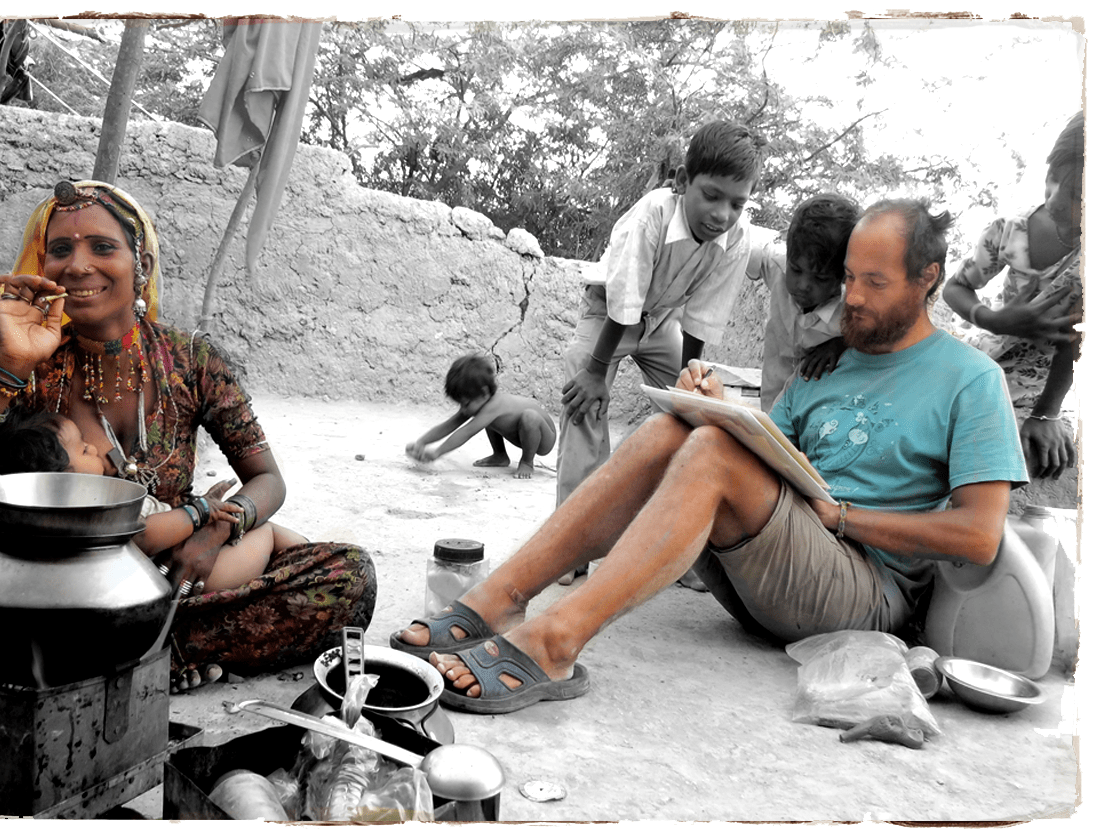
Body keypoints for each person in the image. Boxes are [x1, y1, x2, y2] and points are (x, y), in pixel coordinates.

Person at [390, 199, 1027, 715]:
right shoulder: (825, 364)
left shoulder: (969, 379)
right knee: (680, 429)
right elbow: (768, 459)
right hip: (776, 569)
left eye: (875, 283)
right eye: (850, 279)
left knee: (714, 451)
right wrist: (717, 407)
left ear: (928, 279)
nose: (853, 298)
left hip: (864, 591)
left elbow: (976, 534)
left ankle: (556, 641)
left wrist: (841, 519)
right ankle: (500, 597)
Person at [0, 180, 377, 687]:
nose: (77, 265)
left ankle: (131, 651)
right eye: (60, 250)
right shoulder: (29, 361)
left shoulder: (191, 361)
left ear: (142, 267)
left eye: (103, 247)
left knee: (348, 576)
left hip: (172, 574)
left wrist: (218, 529)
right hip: (57, 587)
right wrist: (11, 363)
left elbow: (267, 479)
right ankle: (145, 655)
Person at [554, 120, 766, 582]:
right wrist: (595, 371)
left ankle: (677, 544)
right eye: (711, 196)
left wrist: (688, 387)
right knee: (582, 401)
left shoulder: (738, 236)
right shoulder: (652, 213)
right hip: (606, 316)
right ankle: (572, 544)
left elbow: (703, 317)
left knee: (699, 414)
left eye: (736, 203)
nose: (721, 214)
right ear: (683, 181)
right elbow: (623, 297)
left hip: (662, 322)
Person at [0, 407, 308, 591]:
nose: (94, 449)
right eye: (82, 449)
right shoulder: (92, 515)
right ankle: (307, 555)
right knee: (263, 531)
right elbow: (144, 534)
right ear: (59, 480)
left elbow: (269, 478)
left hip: (195, 559)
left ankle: (307, 553)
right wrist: (199, 511)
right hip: (192, 576)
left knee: (269, 532)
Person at [941, 112, 1083, 480]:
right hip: (983, 359)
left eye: (1076, 196)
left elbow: (1074, 344)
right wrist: (990, 318)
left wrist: (1046, 413)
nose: (1054, 200)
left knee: (1012, 456)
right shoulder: (1011, 230)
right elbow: (955, 287)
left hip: (1039, 383)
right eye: (1052, 180)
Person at [754, 194, 859, 412]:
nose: (802, 285)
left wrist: (843, 343)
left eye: (820, 278)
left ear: (842, 276)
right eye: (796, 270)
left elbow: (885, 338)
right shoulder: (776, 266)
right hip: (770, 404)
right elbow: (737, 242)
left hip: (818, 409)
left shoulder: (852, 307)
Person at [406, 353, 557, 479]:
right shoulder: (481, 402)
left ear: (484, 392)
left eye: (465, 403)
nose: (463, 409)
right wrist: (421, 442)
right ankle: (500, 456)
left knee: (530, 416)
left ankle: (527, 462)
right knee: (483, 417)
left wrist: (437, 453)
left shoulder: (494, 405)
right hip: (519, 433)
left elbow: (466, 432)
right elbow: (450, 424)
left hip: (543, 438)